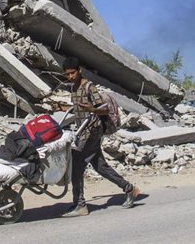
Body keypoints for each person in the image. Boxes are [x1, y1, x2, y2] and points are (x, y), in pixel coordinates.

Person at [60, 56, 140, 217]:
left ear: (79, 70)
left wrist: (92, 109)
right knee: (100, 166)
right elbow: (77, 109)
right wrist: (60, 107)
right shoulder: (73, 88)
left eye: (72, 73)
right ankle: (129, 189)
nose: (70, 77)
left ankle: (80, 205)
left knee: (77, 165)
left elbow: (103, 109)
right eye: (67, 74)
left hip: (93, 131)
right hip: (83, 130)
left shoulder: (90, 87)